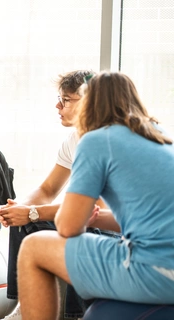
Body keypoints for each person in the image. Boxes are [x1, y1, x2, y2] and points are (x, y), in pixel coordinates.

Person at [18, 71, 174, 319]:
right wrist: (97, 218)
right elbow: (149, 218)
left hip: (157, 271)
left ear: (88, 103)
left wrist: (37, 213)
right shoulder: (159, 136)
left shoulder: (96, 141)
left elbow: (68, 227)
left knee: (33, 247)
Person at [0, 70, 121, 320]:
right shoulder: (74, 140)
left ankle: (75, 315)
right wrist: (16, 207)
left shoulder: (104, 140)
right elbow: (48, 189)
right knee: (22, 224)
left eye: (65, 100)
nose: (58, 106)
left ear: (87, 100)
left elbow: (94, 207)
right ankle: (26, 305)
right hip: (92, 216)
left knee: (76, 228)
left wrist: (30, 212)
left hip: (111, 224)